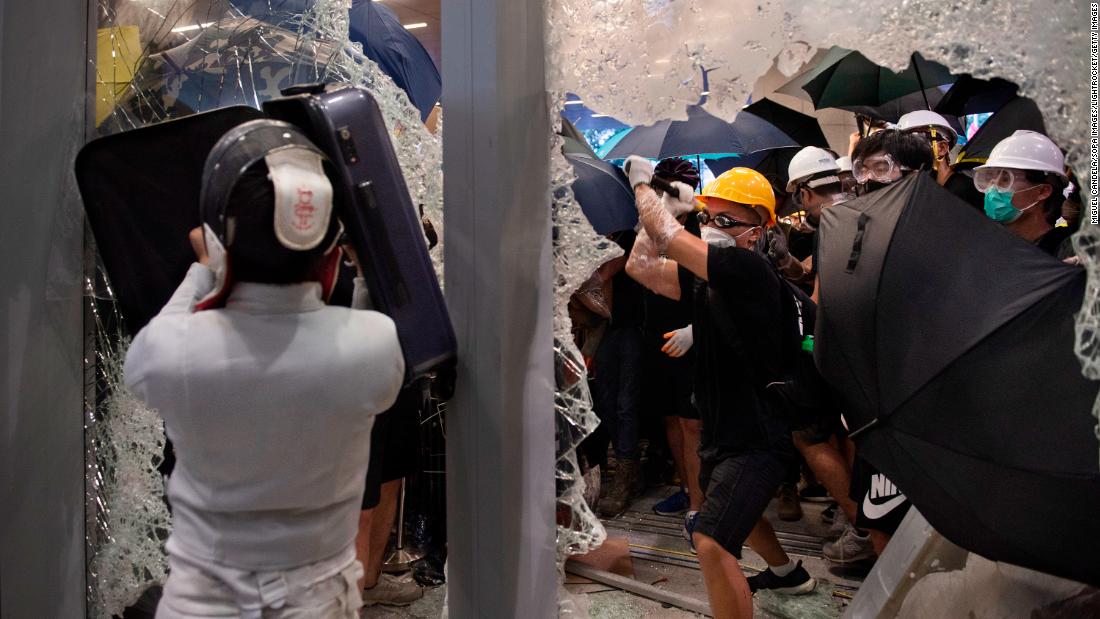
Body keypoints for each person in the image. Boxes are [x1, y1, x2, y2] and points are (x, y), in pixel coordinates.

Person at [125, 120, 405, 618]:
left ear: (220, 242)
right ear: (332, 254)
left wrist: (206, 265)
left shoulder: (171, 352)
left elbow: (174, 323)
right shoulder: (373, 346)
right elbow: (370, 303)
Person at [625, 160, 815, 618]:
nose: (713, 227)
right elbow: (641, 265)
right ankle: (790, 575)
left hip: (758, 436)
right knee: (737, 515)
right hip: (724, 428)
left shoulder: (747, 267)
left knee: (710, 539)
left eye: (727, 221)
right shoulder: (713, 272)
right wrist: (662, 210)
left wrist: (643, 189)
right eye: (709, 218)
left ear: (759, 230)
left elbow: (668, 236)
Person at [640, 158, 705, 540]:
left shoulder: (701, 230)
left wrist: (697, 328)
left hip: (691, 337)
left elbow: (720, 287)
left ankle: (700, 503)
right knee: (671, 420)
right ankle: (686, 489)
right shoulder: (650, 230)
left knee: (692, 423)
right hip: (656, 335)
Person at [593, 229, 647, 517]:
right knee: (605, 402)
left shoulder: (628, 233)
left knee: (626, 403)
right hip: (605, 326)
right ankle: (627, 465)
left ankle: (626, 471)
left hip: (631, 326)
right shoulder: (599, 233)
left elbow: (617, 265)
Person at [355, 389, 424, 606]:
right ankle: (350, 602)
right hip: (351, 376)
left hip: (400, 372)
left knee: (391, 472)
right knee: (359, 498)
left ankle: (370, 580)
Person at [972, 130, 1072, 257]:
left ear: (1042, 191)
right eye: (990, 179)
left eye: (1005, 179)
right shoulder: (987, 246)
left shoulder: (1063, 255)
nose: (992, 190)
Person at [896, 110, 984, 210]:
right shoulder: (917, 190)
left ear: (942, 148)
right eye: (902, 143)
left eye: (916, 141)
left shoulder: (964, 192)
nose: (907, 149)